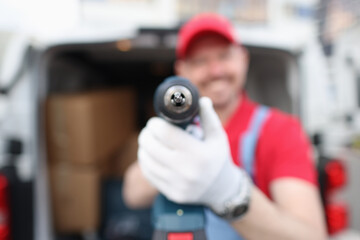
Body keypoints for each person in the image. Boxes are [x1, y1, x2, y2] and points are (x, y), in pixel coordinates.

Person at [123, 13, 327, 240]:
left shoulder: (281, 130)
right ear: (182, 71)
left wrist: (230, 193)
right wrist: (167, 154)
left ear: (243, 59)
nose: (216, 70)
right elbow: (132, 194)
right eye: (200, 61)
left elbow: (311, 236)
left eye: (224, 56)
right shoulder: (178, 131)